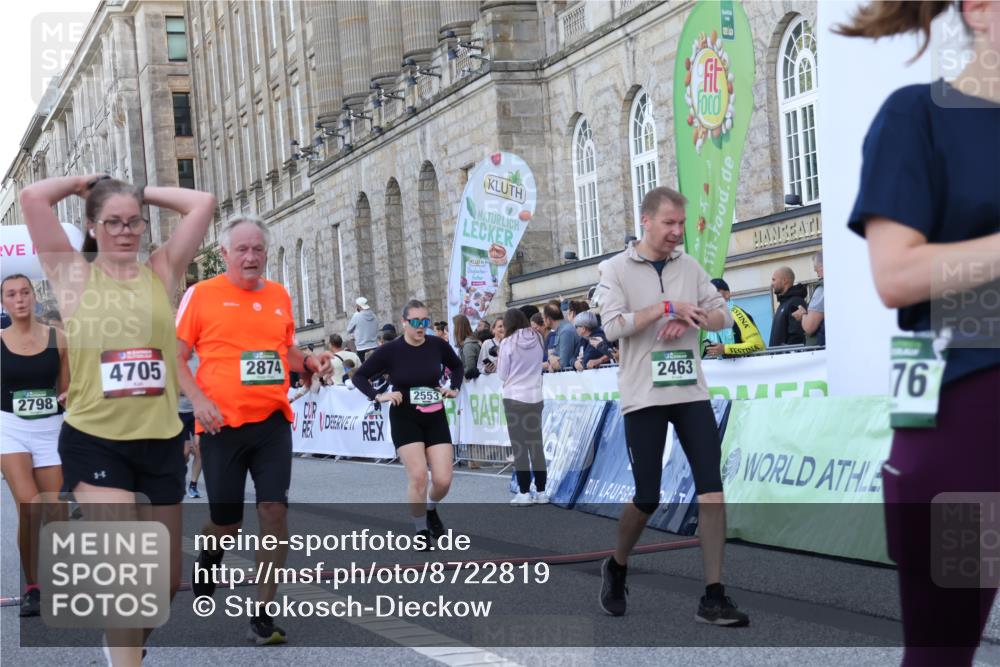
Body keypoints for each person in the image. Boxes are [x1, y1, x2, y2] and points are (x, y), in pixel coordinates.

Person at [837, 3, 1000, 663]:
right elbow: (896, 275)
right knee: (942, 651)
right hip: (965, 419)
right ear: (980, 9)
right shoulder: (918, 115)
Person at [20, 174, 215, 664]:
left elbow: (202, 203)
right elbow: (33, 197)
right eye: (113, 222)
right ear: (92, 226)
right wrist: (86, 183)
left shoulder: (161, 270)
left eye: (134, 222)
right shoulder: (71, 274)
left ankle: (123, 645)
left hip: (160, 441)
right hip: (95, 440)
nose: (125, 231)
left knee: (164, 584)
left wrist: (137, 192)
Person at [177, 216, 333, 646]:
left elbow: (284, 349)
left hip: (271, 423)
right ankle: (210, 555)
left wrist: (309, 361)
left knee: (274, 511)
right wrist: (199, 400)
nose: (250, 257)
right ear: (225, 253)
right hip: (221, 425)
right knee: (226, 523)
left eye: (258, 249)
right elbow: (176, 356)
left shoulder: (279, 295)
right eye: (242, 249)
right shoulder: (201, 295)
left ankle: (262, 614)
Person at [598, 185, 749, 626]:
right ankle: (617, 565)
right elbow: (612, 327)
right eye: (669, 223)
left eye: (681, 223)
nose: (677, 232)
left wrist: (692, 316)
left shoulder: (690, 265)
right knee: (647, 496)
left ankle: (713, 596)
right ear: (645, 221)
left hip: (690, 393)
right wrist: (665, 307)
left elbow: (721, 314)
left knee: (712, 490)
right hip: (644, 396)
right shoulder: (615, 269)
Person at [352, 300, 463, 546]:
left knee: (443, 480)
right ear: (404, 323)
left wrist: (453, 387)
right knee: (419, 476)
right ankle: (421, 530)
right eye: (415, 322)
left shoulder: (437, 345)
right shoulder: (391, 350)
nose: (421, 326)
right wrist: (378, 396)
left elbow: (457, 366)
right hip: (405, 417)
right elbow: (359, 376)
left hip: (434, 415)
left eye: (425, 321)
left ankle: (430, 509)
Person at [0, 273, 68, 617]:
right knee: (30, 506)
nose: (20, 299)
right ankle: (33, 587)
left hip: (50, 429)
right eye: (12, 294)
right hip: (10, 428)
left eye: (25, 292)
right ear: (4, 303)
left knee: (57, 512)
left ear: (34, 297)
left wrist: (70, 397)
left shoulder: (58, 338)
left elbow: (68, 389)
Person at [497, 308, 548, 506]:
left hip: (514, 397)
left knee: (520, 447)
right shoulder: (538, 337)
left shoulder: (507, 343)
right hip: (535, 395)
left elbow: (502, 374)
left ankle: (524, 492)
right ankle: (542, 491)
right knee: (536, 445)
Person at [703, 278, 766, 358]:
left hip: (750, 365)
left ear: (727, 294)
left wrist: (725, 349)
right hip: (726, 365)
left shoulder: (737, 315)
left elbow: (757, 344)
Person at [178, 352, 202, 498]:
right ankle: (180, 476)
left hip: (196, 411)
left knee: (200, 449)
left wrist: (186, 388)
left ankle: (193, 486)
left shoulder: (200, 358)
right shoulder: (175, 358)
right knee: (185, 452)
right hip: (179, 412)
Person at [791, 251, 825, 346]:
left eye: (816, 270)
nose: (818, 275)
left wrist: (802, 314)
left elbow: (809, 327)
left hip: (819, 349)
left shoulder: (822, 289)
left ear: (822, 268)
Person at [768, 267, 808, 347]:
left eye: (774, 280)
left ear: (785, 281)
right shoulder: (783, 303)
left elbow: (796, 336)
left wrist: (785, 352)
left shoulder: (796, 302)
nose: (772, 284)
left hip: (788, 354)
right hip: (778, 354)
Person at [542, 303, 578, 371]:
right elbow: (554, 355)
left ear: (548, 319)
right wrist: (551, 359)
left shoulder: (565, 331)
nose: (543, 321)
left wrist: (551, 362)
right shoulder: (561, 330)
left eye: (543, 318)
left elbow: (563, 363)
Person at [453, 314, 481, 380]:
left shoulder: (468, 345)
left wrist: (456, 373)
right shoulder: (466, 343)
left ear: (458, 329)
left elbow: (470, 369)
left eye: (454, 326)